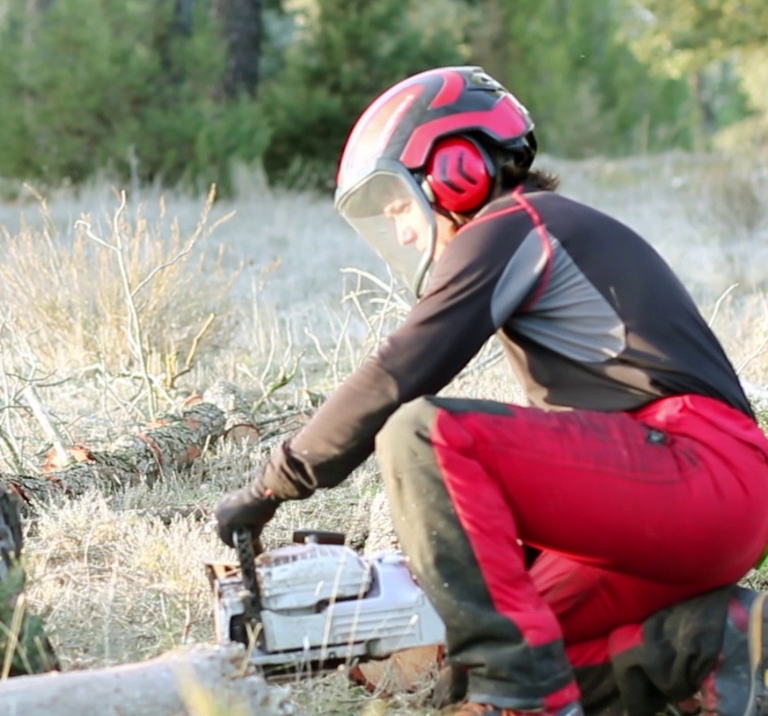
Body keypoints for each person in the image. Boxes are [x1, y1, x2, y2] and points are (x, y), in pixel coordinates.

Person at [214, 64, 768, 716]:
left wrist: (270, 484)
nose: (402, 230)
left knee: (419, 432)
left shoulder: (516, 222)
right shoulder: (535, 231)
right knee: (476, 664)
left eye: (399, 206)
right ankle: (721, 641)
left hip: (696, 468)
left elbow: (397, 376)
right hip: (691, 494)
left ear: (456, 170)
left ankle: (523, 697)